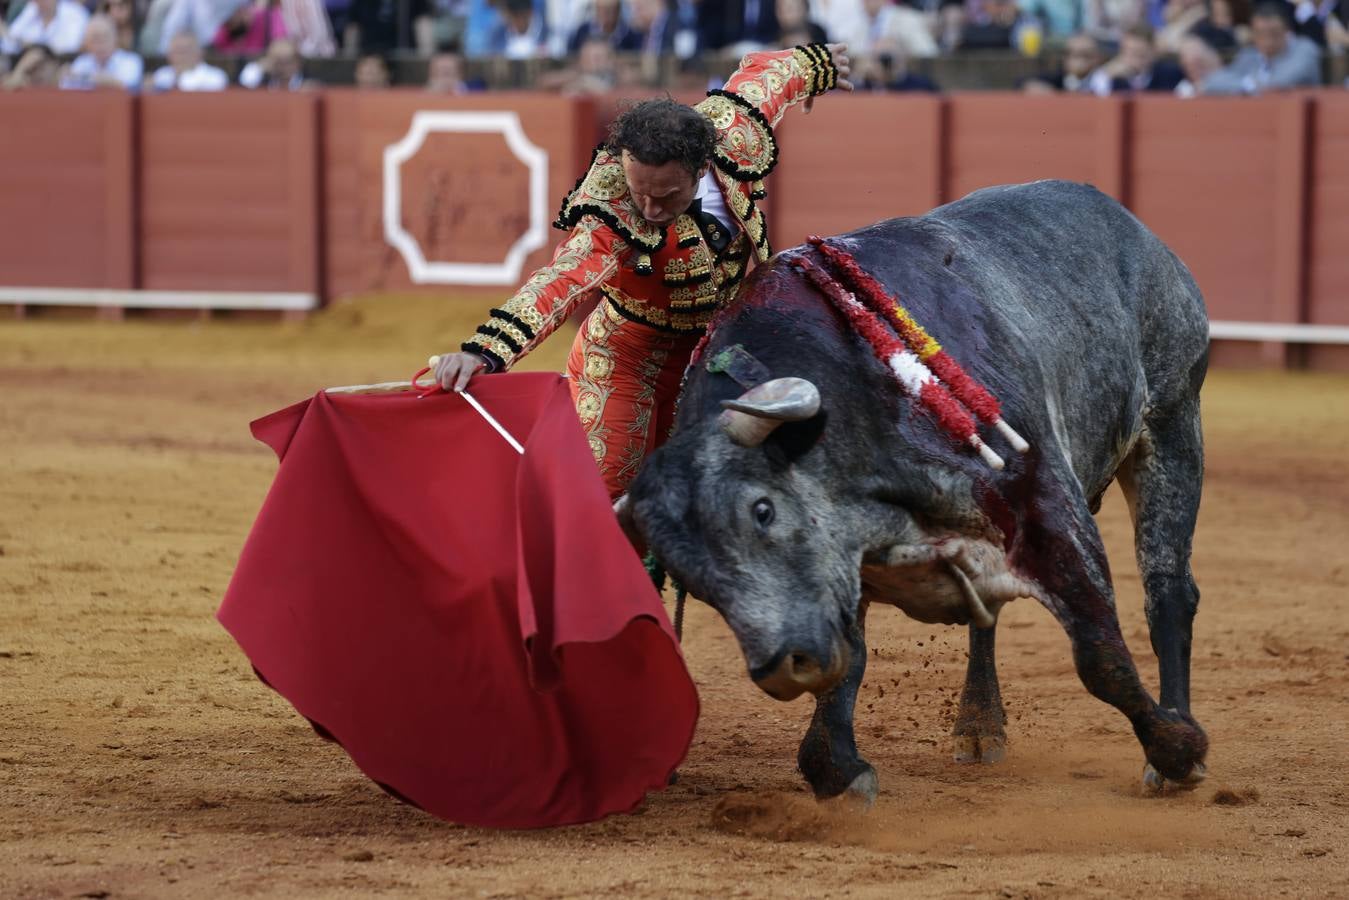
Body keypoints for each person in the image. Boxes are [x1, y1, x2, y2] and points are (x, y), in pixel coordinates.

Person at [431, 44, 852, 501]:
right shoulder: (610, 211)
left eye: (666, 196)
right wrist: (484, 353)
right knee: (611, 499)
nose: (649, 209)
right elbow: (560, 281)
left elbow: (772, 73)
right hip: (624, 361)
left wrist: (820, 66)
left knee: (712, 498)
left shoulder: (733, 129)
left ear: (702, 168)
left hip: (713, 354)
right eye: (639, 192)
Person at [1202, 1, 1321, 92]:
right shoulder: (1251, 54)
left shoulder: (1304, 49)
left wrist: (1248, 85)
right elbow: (1213, 82)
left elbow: (1279, 84)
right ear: (1253, 35)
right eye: (1261, 35)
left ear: (1286, 31)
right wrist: (1249, 84)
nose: (1267, 42)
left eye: (1273, 34)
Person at [62, 13, 143, 89]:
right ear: (87, 44)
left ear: (115, 39)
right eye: (95, 39)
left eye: (105, 37)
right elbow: (68, 87)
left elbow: (125, 85)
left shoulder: (131, 61)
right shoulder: (82, 62)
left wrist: (84, 77)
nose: (100, 44)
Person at [148, 29, 229, 89]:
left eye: (184, 51)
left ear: (200, 53)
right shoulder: (162, 74)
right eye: (176, 51)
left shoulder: (215, 77)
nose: (180, 56)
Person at [1, 0, 89, 54]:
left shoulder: (75, 12)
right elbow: (9, 45)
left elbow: (70, 47)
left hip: (64, 64)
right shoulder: (30, 11)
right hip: (29, 65)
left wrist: (29, 44)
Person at [238, 35, 308, 87]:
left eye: (286, 62)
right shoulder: (264, 81)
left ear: (297, 62)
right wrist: (260, 67)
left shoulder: (307, 84)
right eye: (277, 62)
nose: (282, 68)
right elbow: (245, 84)